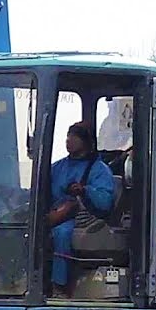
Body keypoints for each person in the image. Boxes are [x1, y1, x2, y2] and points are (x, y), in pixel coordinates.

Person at [47, 122, 115, 296]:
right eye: (67, 135)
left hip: (82, 219)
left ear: (85, 142)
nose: (68, 140)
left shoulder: (99, 170)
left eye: (74, 136)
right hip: (55, 213)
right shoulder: (57, 167)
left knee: (61, 233)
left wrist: (85, 190)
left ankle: (58, 286)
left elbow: (105, 201)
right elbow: (42, 190)